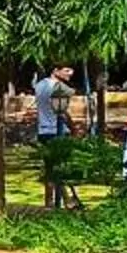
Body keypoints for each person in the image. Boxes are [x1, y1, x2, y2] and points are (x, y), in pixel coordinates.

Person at [33, 64, 79, 209]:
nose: (70, 73)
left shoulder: (39, 85)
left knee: (50, 168)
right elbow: (62, 112)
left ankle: (52, 202)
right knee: (61, 168)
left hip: (43, 131)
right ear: (55, 70)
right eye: (67, 70)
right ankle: (66, 200)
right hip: (57, 132)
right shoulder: (60, 88)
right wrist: (74, 129)